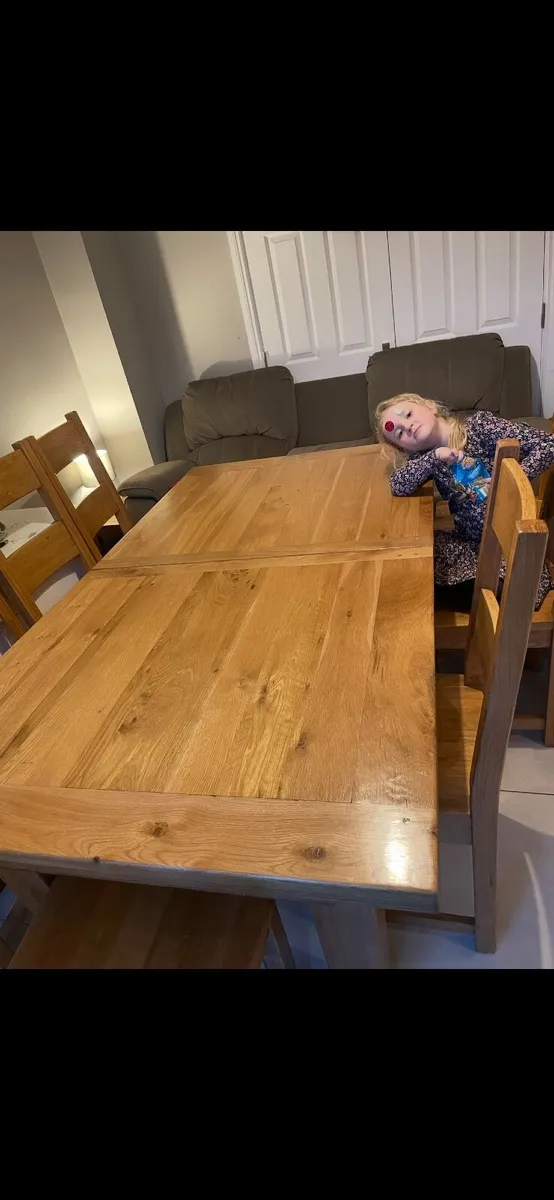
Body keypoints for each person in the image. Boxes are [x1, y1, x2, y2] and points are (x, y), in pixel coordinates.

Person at [375, 393, 554, 607]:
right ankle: (485, 591)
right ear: (405, 449)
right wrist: (434, 457)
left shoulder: (479, 427)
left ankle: (507, 593)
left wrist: (510, 480)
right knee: (411, 561)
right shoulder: (426, 458)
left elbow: (548, 445)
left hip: (509, 546)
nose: (407, 425)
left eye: (409, 414)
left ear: (431, 406)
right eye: (399, 433)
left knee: (422, 591)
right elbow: (398, 485)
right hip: (472, 543)